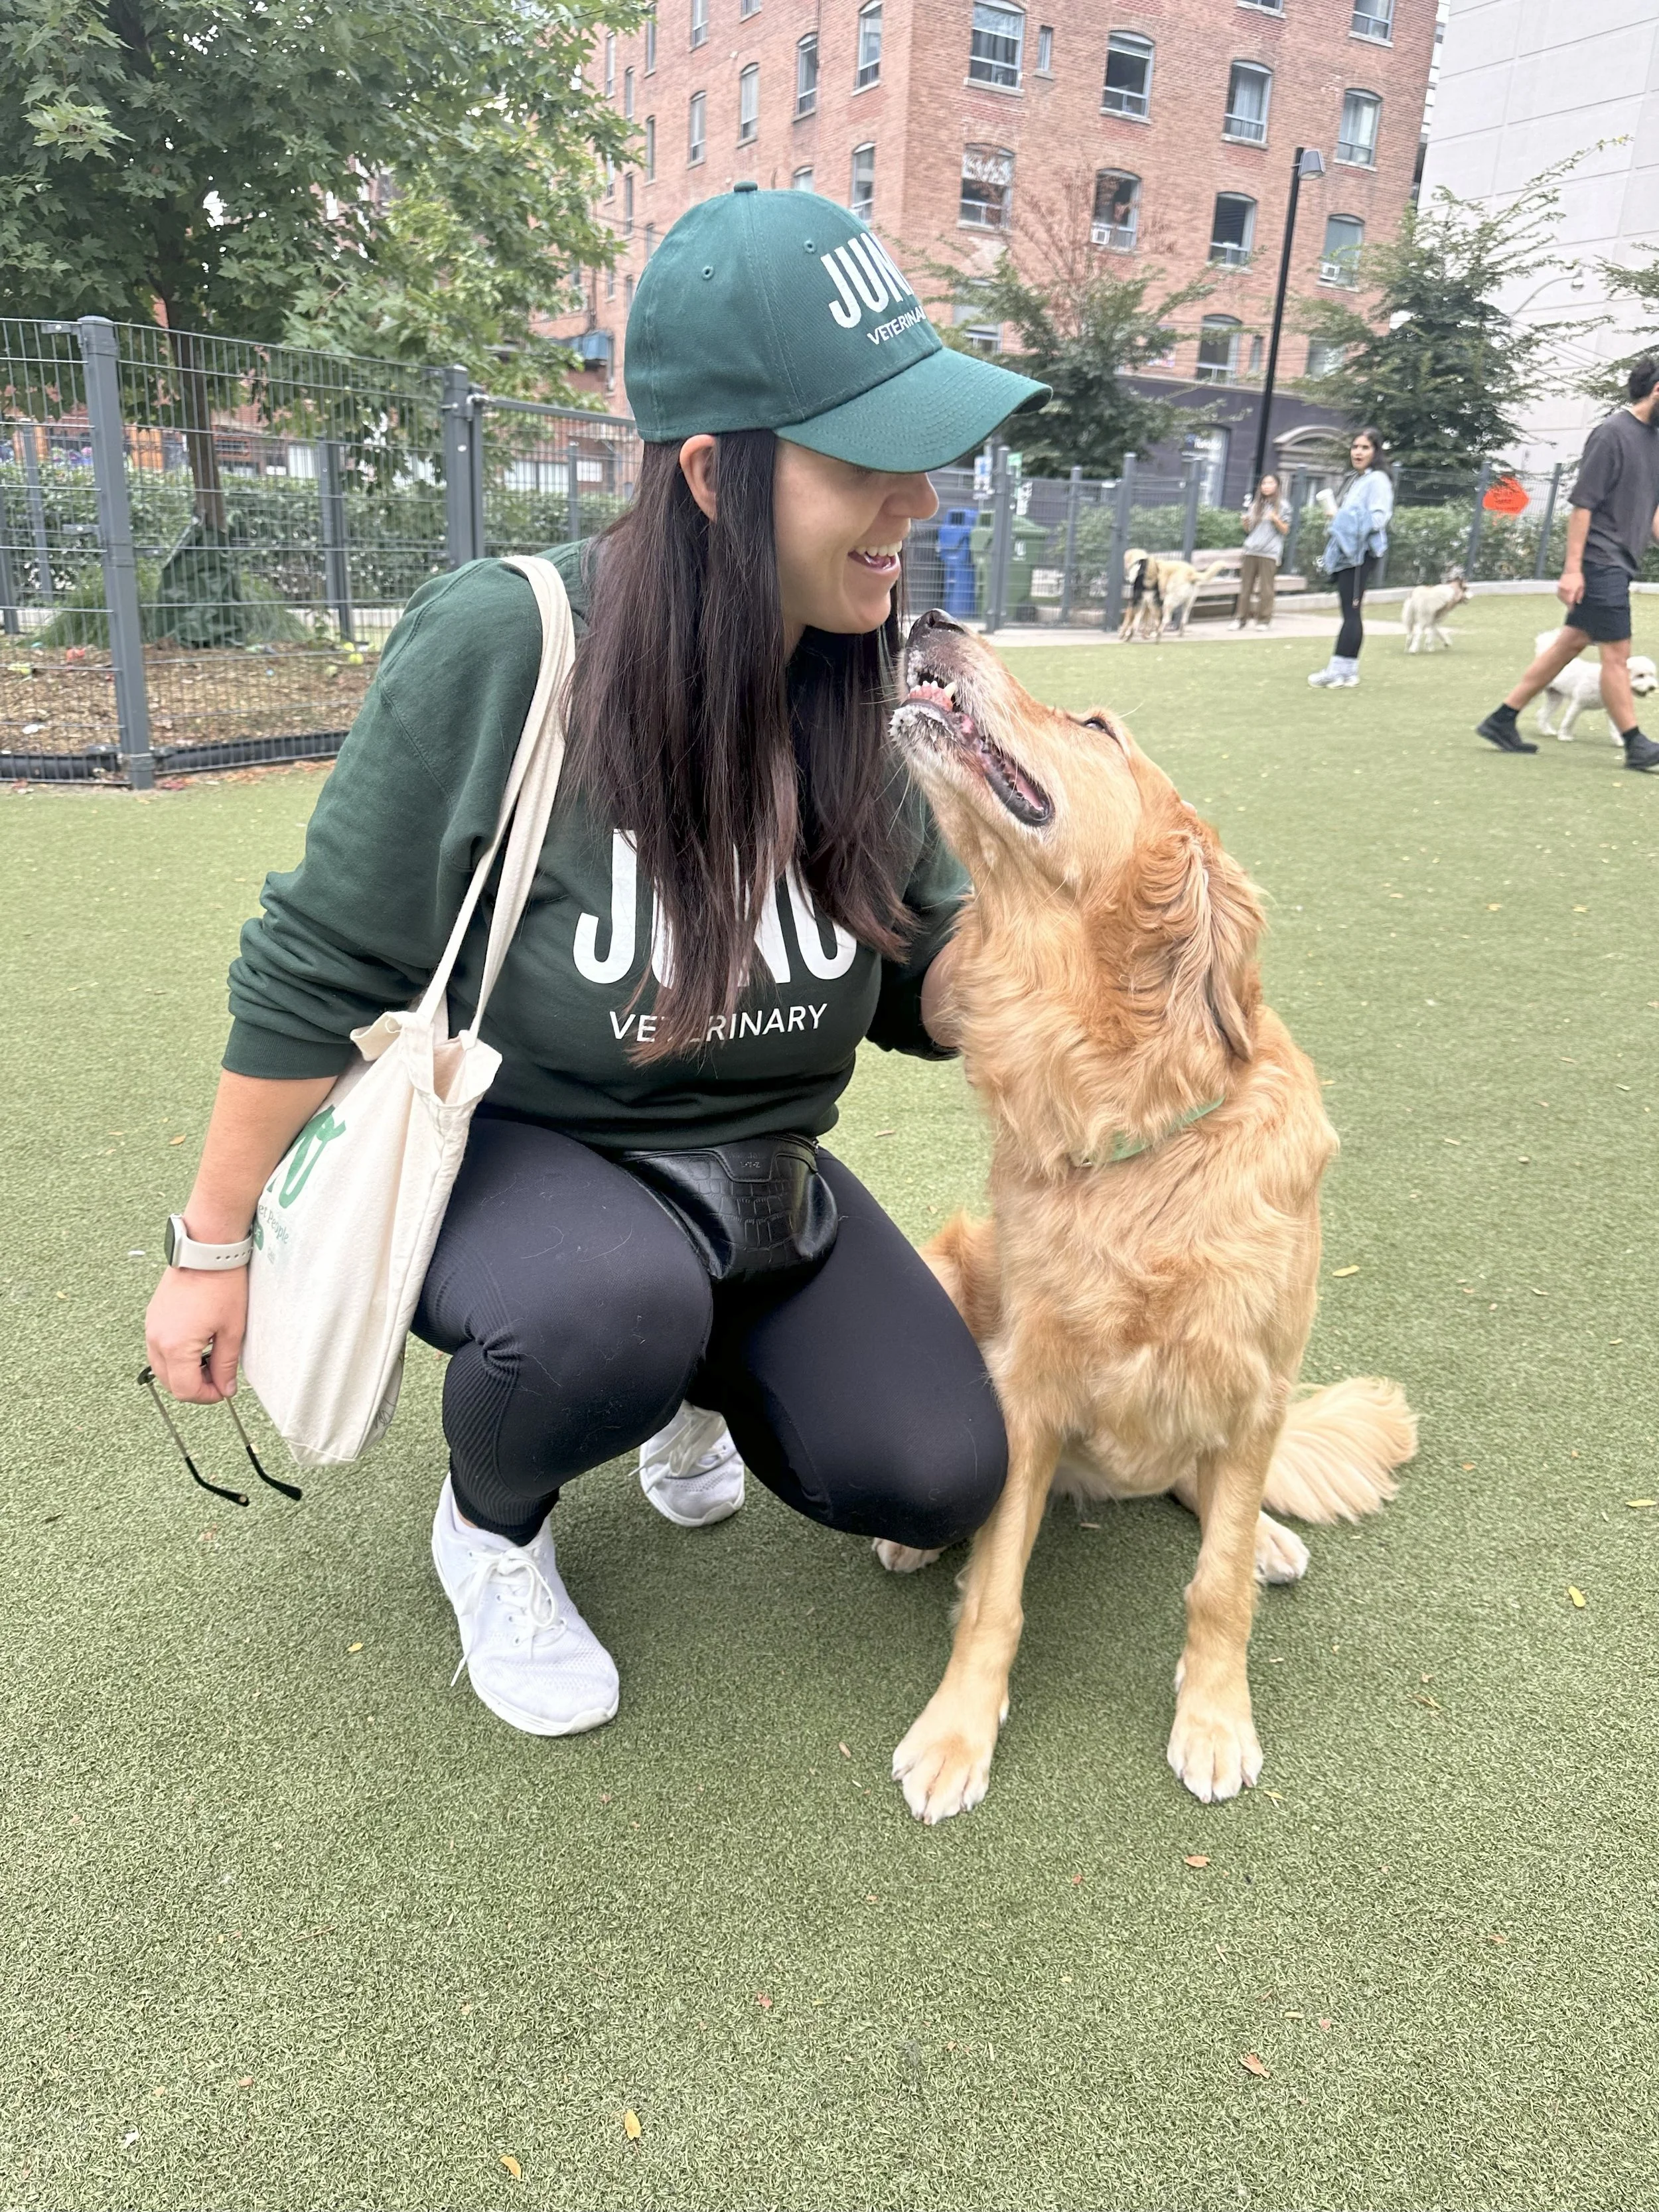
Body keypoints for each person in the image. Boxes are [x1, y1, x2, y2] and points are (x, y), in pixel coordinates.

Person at [143, 184, 1050, 1739]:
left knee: (936, 1468)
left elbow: (918, 971)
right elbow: (318, 964)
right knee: (607, 1310)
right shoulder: (512, 642)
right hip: (529, 1158)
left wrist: (1068, 981)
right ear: (711, 471)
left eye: (927, 457)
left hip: (760, 1172)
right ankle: (492, 1527)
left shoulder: (868, 682)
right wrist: (210, 1244)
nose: (914, 504)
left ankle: (696, 1383)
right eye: (861, 465)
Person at [1475, 358, 1659, 771]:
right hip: (1601, 560)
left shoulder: (1656, 442)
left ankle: (1502, 718)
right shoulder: (1612, 435)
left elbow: (1650, 511)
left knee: (1571, 643)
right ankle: (1635, 744)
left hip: (1620, 561)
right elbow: (1582, 505)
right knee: (1618, 653)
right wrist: (1573, 568)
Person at [1307, 429, 1394, 688]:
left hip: (1361, 553)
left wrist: (1340, 517)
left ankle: (1338, 670)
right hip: (1347, 553)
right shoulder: (1357, 479)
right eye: (1355, 447)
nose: (1358, 452)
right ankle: (1347, 671)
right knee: (1350, 611)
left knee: (1352, 612)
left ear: (1376, 452)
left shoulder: (1378, 480)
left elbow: (1379, 518)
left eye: (1365, 448)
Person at [1235, 473, 1289, 629]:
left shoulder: (1283, 506)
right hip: (1251, 551)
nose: (1266, 486)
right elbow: (1249, 530)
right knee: (1246, 588)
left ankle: (1264, 620)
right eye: (1264, 483)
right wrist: (1245, 522)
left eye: (1270, 483)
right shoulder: (1255, 505)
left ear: (1277, 486)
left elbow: (1285, 530)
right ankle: (1240, 619)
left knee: (1266, 589)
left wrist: (1275, 519)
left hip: (1269, 552)